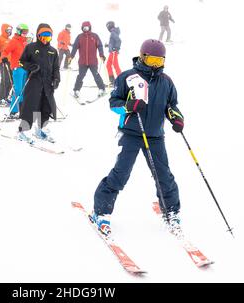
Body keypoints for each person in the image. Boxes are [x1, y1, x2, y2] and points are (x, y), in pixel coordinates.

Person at [91, 39, 184, 237]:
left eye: (159, 61)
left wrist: (176, 118)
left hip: (155, 136)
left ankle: (172, 212)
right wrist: (128, 106)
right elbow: (113, 102)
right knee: (121, 173)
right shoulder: (127, 77)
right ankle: (101, 211)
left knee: (163, 175)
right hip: (131, 133)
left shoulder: (166, 81)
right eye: (151, 60)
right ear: (142, 57)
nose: (155, 65)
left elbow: (171, 105)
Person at [17, 23, 60, 143]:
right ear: (38, 36)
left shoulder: (53, 51)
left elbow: (56, 68)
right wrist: (31, 66)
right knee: (30, 106)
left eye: (49, 37)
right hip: (33, 82)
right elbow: (21, 62)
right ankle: (23, 131)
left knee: (46, 107)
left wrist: (56, 79)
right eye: (43, 37)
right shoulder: (31, 47)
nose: (46, 40)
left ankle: (41, 129)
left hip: (47, 84)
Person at [69, 21, 106, 98]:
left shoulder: (95, 36)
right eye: (84, 28)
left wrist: (101, 55)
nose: (85, 29)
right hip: (82, 62)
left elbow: (100, 46)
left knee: (96, 75)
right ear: (82, 28)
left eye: (87, 27)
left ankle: (102, 89)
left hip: (93, 61)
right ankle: (76, 90)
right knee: (80, 76)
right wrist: (71, 56)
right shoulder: (79, 37)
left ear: (90, 27)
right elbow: (75, 47)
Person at [1, 23, 29, 118]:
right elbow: (5, 51)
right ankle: (13, 111)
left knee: (24, 90)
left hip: (26, 68)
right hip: (17, 68)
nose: (25, 34)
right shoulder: (14, 41)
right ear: (19, 31)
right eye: (24, 32)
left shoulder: (25, 42)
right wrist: (4, 57)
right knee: (18, 90)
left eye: (26, 32)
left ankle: (22, 109)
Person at [0, 24, 13, 106]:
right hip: (2, 61)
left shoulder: (10, 40)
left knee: (11, 81)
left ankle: (5, 97)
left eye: (10, 30)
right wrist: (0, 54)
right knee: (5, 80)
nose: (9, 32)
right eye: (8, 30)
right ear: (4, 30)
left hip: (10, 62)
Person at [105, 21, 122, 86]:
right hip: (112, 52)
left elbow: (119, 40)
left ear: (110, 25)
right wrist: (108, 45)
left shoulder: (113, 32)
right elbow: (113, 42)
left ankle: (121, 80)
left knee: (115, 65)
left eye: (107, 26)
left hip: (114, 52)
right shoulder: (113, 32)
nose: (107, 27)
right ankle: (112, 80)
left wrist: (116, 48)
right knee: (108, 65)